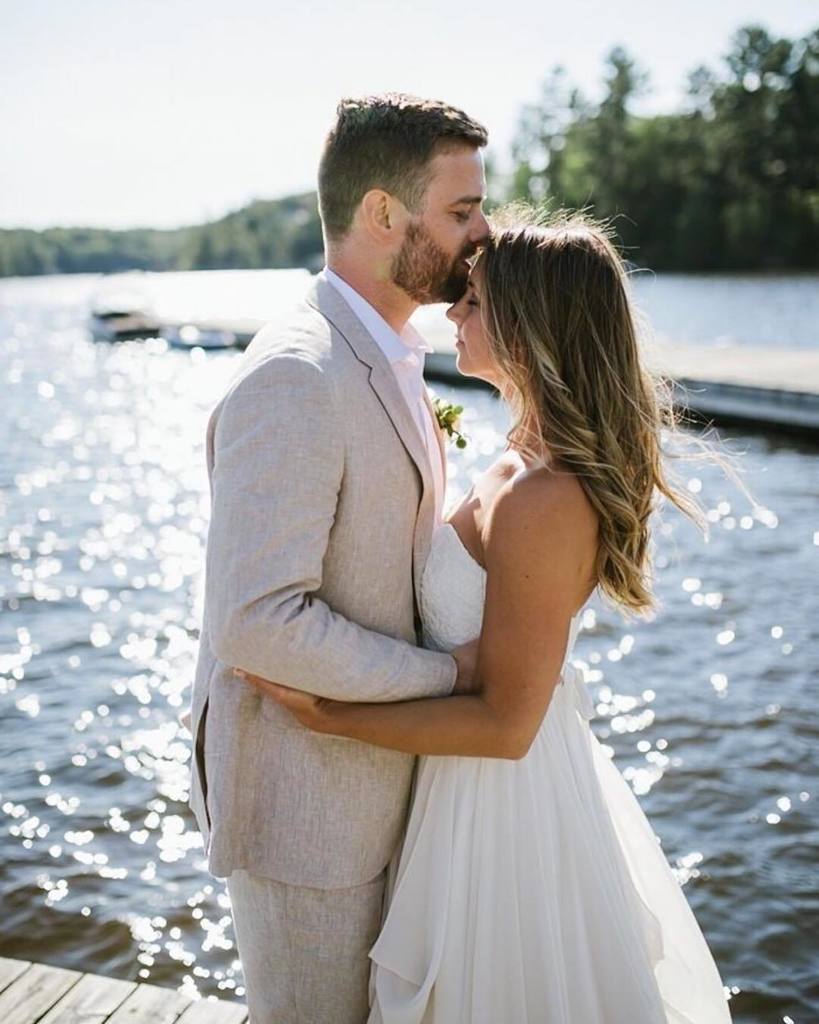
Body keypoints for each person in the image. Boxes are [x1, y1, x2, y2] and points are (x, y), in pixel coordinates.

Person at [236, 212, 734, 1023]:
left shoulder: (544, 498)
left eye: (473, 300)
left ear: (529, 327)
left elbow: (506, 727)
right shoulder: (515, 462)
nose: (452, 312)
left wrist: (332, 717)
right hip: (454, 786)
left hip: (500, 812)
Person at [185, 93, 490, 1024]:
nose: (483, 234)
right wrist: (449, 678)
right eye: (462, 210)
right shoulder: (297, 373)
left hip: (385, 785)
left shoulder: (385, 350)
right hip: (308, 811)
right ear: (382, 212)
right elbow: (256, 620)